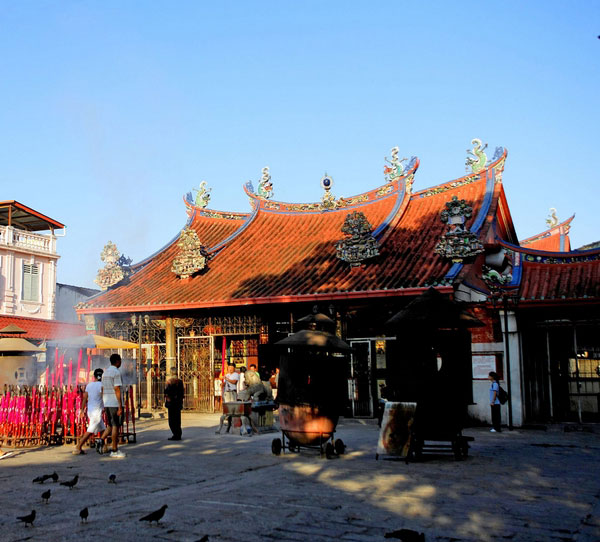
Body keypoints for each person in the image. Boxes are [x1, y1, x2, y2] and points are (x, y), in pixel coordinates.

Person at [73, 368, 105, 455]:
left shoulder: (89, 385)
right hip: (97, 411)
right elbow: (104, 397)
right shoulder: (102, 385)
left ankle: (104, 447)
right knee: (90, 430)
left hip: (90, 410)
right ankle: (78, 446)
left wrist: (82, 410)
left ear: (94, 376)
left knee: (103, 428)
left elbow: (84, 399)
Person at [102, 354, 126, 457]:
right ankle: (114, 449)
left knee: (111, 425)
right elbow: (117, 389)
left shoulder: (105, 373)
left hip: (107, 402)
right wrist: (120, 405)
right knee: (116, 426)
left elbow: (103, 388)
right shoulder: (116, 372)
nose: (120, 362)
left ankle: (101, 441)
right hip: (114, 403)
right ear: (117, 361)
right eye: (120, 360)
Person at [164, 367, 184, 441]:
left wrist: (168, 398)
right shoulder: (180, 382)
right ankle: (178, 434)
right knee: (177, 420)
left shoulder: (169, 382)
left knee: (172, 420)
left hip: (171, 404)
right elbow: (182, 393)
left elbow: (166, 392)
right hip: (178, 403)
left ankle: (175, 434)